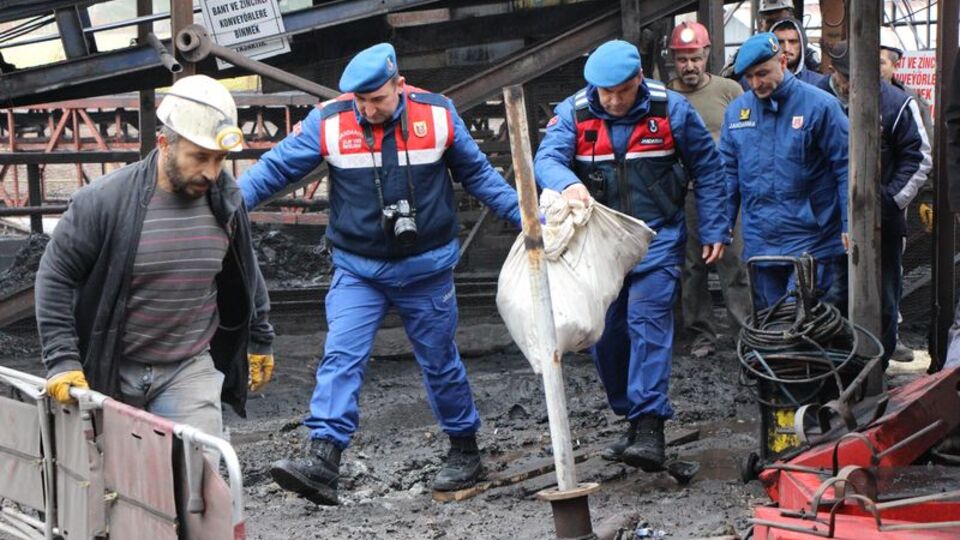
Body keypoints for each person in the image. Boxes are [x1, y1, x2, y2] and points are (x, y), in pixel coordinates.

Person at [239, 43, 521, 504]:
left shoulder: (439, 115)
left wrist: (529, 217)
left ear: (399, 85)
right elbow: (274, 169)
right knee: (341, 356)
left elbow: (480, 177)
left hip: (427, 269)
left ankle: (464, 448)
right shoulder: (330, 121)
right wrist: (227, 203)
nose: (368, 110)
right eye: (360, 102)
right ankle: (323, 458)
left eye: (378, 99)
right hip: (359, 270)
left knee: (439, 362)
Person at [37, 75, 275, 448]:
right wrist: (62, 360)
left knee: (194, 486)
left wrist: (261, 336)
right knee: (116, 488)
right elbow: (55, 276)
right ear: (165, 144)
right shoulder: (104, 202)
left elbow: (247, 269)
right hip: (113, 367)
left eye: (220, 159)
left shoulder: (226, 201)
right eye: (199, 157)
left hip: (188, 368)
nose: (212, 173)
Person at [534, 40, 728, 472]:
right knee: (606, 334)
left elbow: (708, 169)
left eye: (623, 91)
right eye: (607, 93)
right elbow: (545, 160)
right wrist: (567, 183)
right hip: (600, 245)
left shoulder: (671, 110)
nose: (615, 101)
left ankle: (649, 424)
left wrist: (715, 225)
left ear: (639, 79)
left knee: (647, 320)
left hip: (657, 236)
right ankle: (630, 413)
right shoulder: (574, 112)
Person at [816, 41, 931, 368]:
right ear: (833, 71)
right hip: (828, 220)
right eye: (844, 76)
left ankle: (875, 371)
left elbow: (919, 157)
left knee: (883, 300)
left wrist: (888, 200)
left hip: (882, 223)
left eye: (856, 76)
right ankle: (837, 370)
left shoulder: (896, 104)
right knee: (833, 296)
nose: (849, 83)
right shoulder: (820, 100)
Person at [720, 33, 850, 311]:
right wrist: (721, 225)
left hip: (812, 241)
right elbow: (728, 175)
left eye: (762, 73)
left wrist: (850, 223)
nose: (755, 84)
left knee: (804, 326)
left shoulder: (821, 107)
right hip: (761, 244)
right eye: (749, 77)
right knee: (771, 328)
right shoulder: (736, 114)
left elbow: (846, 167)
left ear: (783, 61)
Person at [666, 21, 751, 358]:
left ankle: (745, 334)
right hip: (686, 194)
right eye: (683, 59)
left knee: (735, 265)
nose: (690, 66)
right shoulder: (665, 96)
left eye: (696, 58)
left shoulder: (730, 90)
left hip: (728, 194)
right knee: (692, 267)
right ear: (674, 58)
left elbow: (748, 133)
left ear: (707, 56)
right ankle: (702, 334)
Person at [769, 19, 828, 86]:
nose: (786, 48)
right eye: (780, 42)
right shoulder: (760, 82)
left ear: (802, 44)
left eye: (793, 42)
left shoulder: (819, 83)